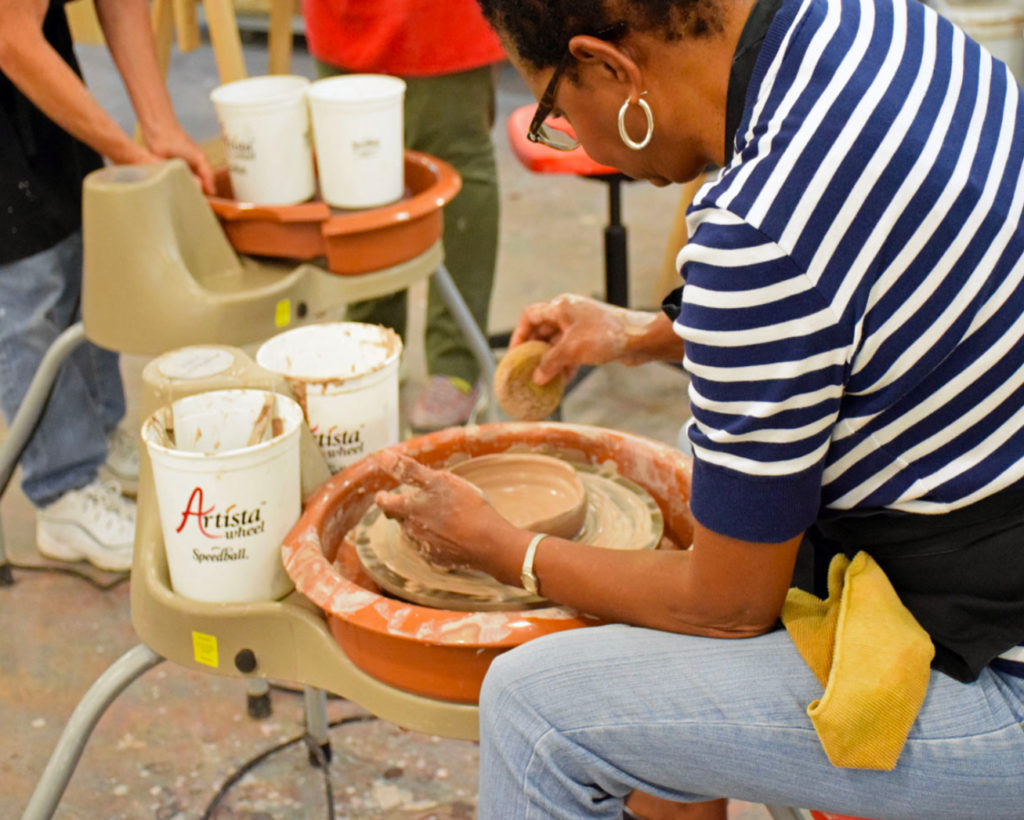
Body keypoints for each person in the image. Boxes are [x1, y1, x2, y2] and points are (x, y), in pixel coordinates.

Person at [370, 0, 1024, 817]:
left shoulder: (755, 234)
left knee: (534, 709)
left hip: (998, 666)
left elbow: (725, 608)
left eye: (556, 113)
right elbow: (880, 284)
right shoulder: (878, 26)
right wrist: (658, 332)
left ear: (609, 67)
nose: (572, 138)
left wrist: (505, 549)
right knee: (682, 526)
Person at [0, 0, 213, 572]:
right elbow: (9, 38)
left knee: (77, 229)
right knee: (24, 273)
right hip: (9, 38)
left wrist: (161, 128)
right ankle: (63, 490)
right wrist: (128, 154)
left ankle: (96, 437)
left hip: (27, 44)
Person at [302, 0, 503, 432]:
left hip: (441, 15)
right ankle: (373, 341)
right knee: (354, 169)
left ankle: (456, 361)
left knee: (455, 165)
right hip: (341, 15)